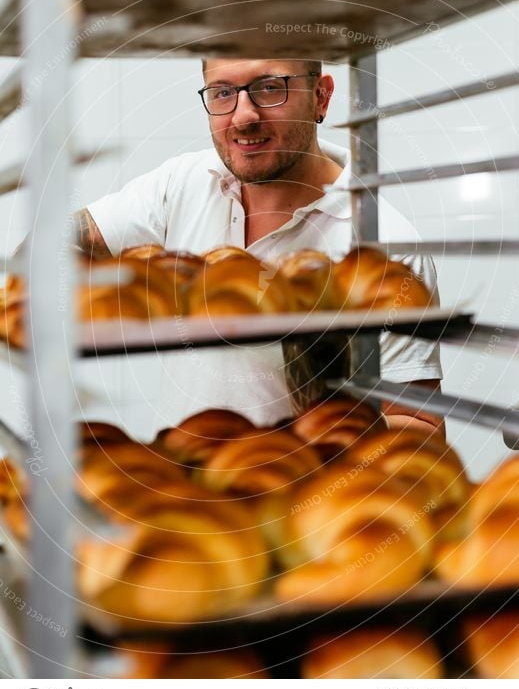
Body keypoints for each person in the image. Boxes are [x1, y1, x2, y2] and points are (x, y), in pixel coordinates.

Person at [73, 58, 443, 436]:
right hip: (180, 481)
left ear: (321, 96)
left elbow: (420, 427)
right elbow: (52, 248)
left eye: (270, 88)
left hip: (308, 490)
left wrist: (333, 407)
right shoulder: (183, 183)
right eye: (223, 93)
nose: (243, 116)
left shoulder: (385, 244)